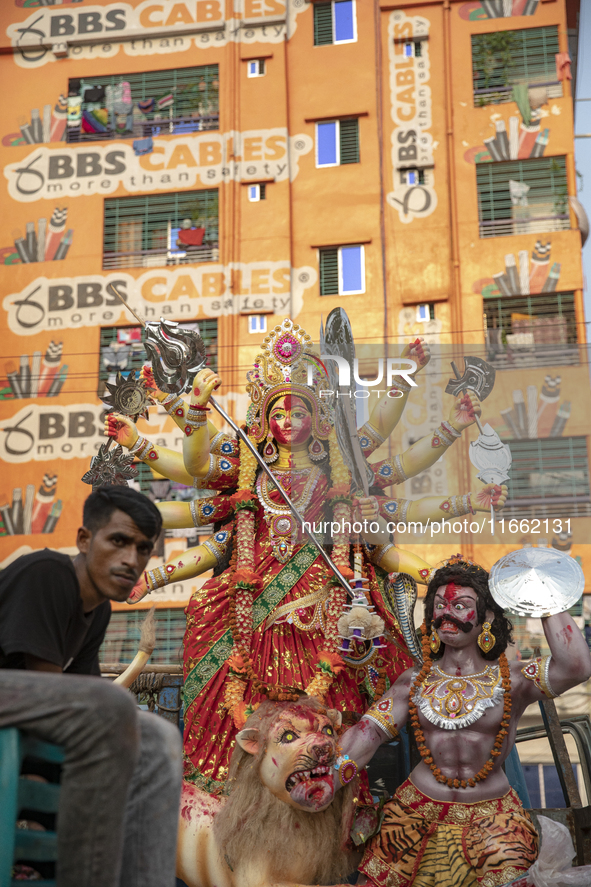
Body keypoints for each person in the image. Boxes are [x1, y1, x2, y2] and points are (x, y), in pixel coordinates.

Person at [103, 319, 505, 798]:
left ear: (319, 420)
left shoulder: (348, 475)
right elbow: (195, 479)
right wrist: (154, 576)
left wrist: (443, 425)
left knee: (348, 697)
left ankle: (347, 793)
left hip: (330, 609)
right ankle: (237, 795)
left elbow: (397, 478)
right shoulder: (245, 476)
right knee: (231, 682)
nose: (289, 421)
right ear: (263, 420)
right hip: (251, 612)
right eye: (279, 413)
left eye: (300, 413)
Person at [335, 555, 591, 886]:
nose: (446, 613)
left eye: (460, 605)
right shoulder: (413, 681)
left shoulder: (512, 679)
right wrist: (329, 774)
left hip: (494, 823)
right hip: (413, 817)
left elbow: (575, 666)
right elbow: (368, 732)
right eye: (439, 604)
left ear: (486, 616)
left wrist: (543, 594)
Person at [0, 485, 183, 887]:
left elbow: (85, 702)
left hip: (22, 710)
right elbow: (70, 698)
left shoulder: (97, 611)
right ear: (84, 539)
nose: (131, 560)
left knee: (159, 737)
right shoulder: (48, 574)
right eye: (118, 541)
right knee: (113, 707)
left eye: (142, 549)